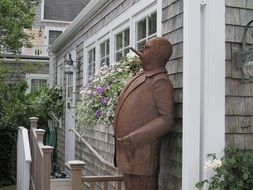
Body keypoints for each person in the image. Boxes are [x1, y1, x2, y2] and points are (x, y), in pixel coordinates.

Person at [113, 37, 174, 190]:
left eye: (146, 49)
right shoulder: (142, 77)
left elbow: (166, 120)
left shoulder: (160, 82)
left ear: (157, 55)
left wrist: (134, 139)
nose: (141, 52)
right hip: (128, 154)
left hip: (143, 156)